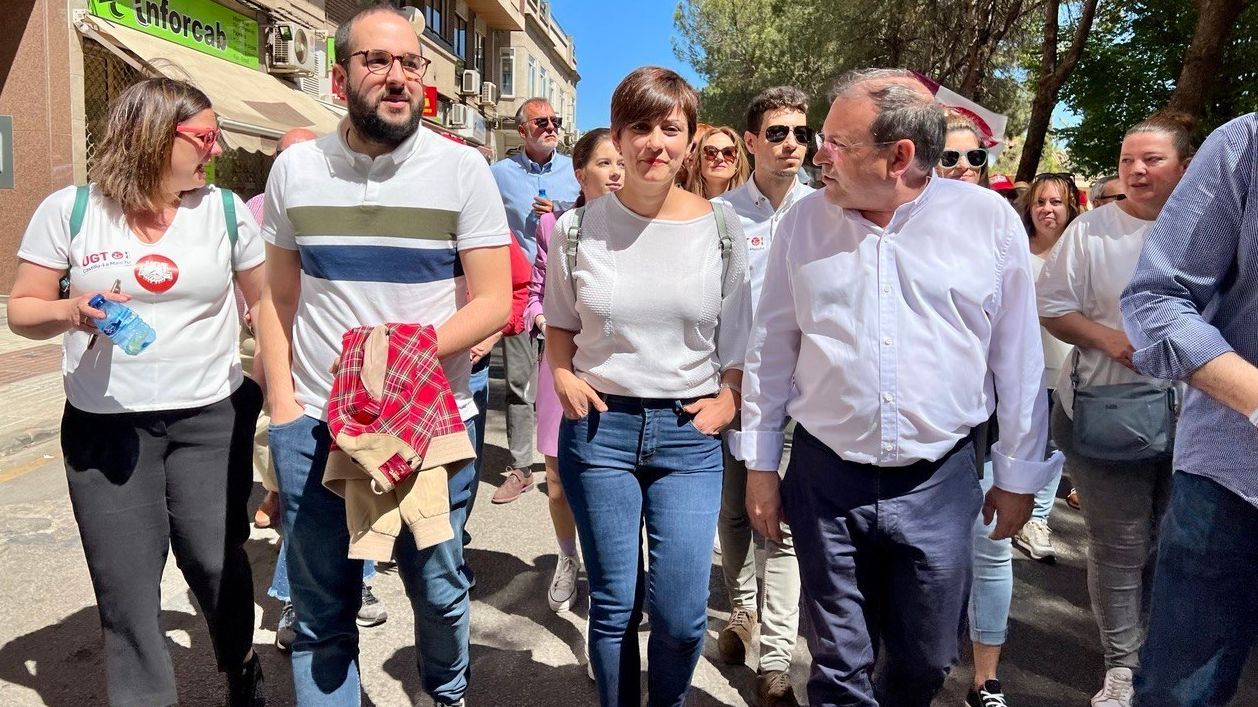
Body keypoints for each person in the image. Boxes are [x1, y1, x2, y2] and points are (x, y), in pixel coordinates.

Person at [738, 68, 1059, 706]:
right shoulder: (803, 225)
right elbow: (772, 347)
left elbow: (1019, 359)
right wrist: (760, 464)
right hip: (826, 479)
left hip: (939, 482)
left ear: (899, 157)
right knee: (836, 661)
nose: (817, 154)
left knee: (925, 661)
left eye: (836, 142)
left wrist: (1019, 476)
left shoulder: (987, 222)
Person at [255, 6, 511, 705]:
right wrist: (282, 408)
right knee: (321, 611)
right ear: (341, 76)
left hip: (430, 423)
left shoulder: (462, 170)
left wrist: (393, 359)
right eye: (376, 61)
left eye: (410, 64)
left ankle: (444, 691)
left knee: (435, 588)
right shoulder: (296, 170)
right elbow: (275, 299)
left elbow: (493, 301)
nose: (397, 78)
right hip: (315, 421)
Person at [9, 77, 266, 705]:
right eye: (205, 136)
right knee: (126, 590)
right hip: (107, 426)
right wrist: (73, 311)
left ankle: (240, 665)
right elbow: (21, 309)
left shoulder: (227, 212)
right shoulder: (71, 210)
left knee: (214, 563)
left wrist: (270, 391)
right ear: (155, 135)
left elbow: (266, 308)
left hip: (211, 419)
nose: (218, 148)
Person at [544, 66, 751, 706]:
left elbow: (740, 338)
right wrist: (560, 376)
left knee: (684, 614)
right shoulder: (576, 230)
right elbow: (558, 323)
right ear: (618, 134)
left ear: (691, 139)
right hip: (602, 432)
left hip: (689, 437)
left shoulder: (722, 229)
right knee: (613, 605)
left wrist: (729, 399)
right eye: (641, 128)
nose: (655, 143)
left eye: (671, 128)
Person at [1036, 112, 1193, 707]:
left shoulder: (1210, 227)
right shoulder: (1092, 231)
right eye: (1128, 159)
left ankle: (1157, 650)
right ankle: (1123, 669)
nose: (1136, 169)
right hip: (1109, 413)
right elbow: (1052, 308)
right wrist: (1115, 343)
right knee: (1122, 545)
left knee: (1175, 542)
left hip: (1200, 421)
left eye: (1152, 159)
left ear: (1185, 165)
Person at [1121, 113, 1258, 705]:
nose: (1137, 171)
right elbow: (1156, 297)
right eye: (1130, 161)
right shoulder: (1246, 144)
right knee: (1182, 693)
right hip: (1235, 480)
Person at [242, 128, 389, 652]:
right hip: (296, 373)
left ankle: (360, 584)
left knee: (362, 489)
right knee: (304, 508)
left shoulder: (359, 197)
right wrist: (282, 403)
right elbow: (262, 292)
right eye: (290, 155)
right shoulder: (260, 209)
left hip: (355, 376)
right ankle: (294, 600)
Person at [710, 85, 812, 707]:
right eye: (778, 133)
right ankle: (741, 610)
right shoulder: (719, 216)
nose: (792, 144)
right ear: (752, 142)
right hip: (731, 391)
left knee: (785, 530)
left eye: (802, 133)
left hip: (800, 401)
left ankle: (774, 663)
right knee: (733, 517)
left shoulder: (825, 211)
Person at [524, 127, 624, 615]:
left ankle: (621, 574)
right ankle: (568, 559)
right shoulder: (557, 227)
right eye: (606, 163)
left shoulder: (647, 226)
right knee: (559, 478)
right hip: (560, 363)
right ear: (580, 173)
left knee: (617, 481)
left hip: (616, 369)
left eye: (621, 163)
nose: (617, 172)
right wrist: (541, 317)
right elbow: (534, 284)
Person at [489, 97, 581, 504]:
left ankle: (575, 460)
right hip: (520, 291)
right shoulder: (498, 175)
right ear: (522, 130)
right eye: (541, 122)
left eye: (555, 121)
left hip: (570, 292)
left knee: (578, 378)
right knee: (518, 383)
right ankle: (522, 467)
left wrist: (560, 209)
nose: (550, 127)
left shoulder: (575, 171)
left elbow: (598, 206)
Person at [684, 124, 749, 198]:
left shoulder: (752, 206)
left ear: (737, 162)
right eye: (711, 152)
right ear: (699, 160)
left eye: (728, 152)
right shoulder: (679, 204)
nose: (720, 158)